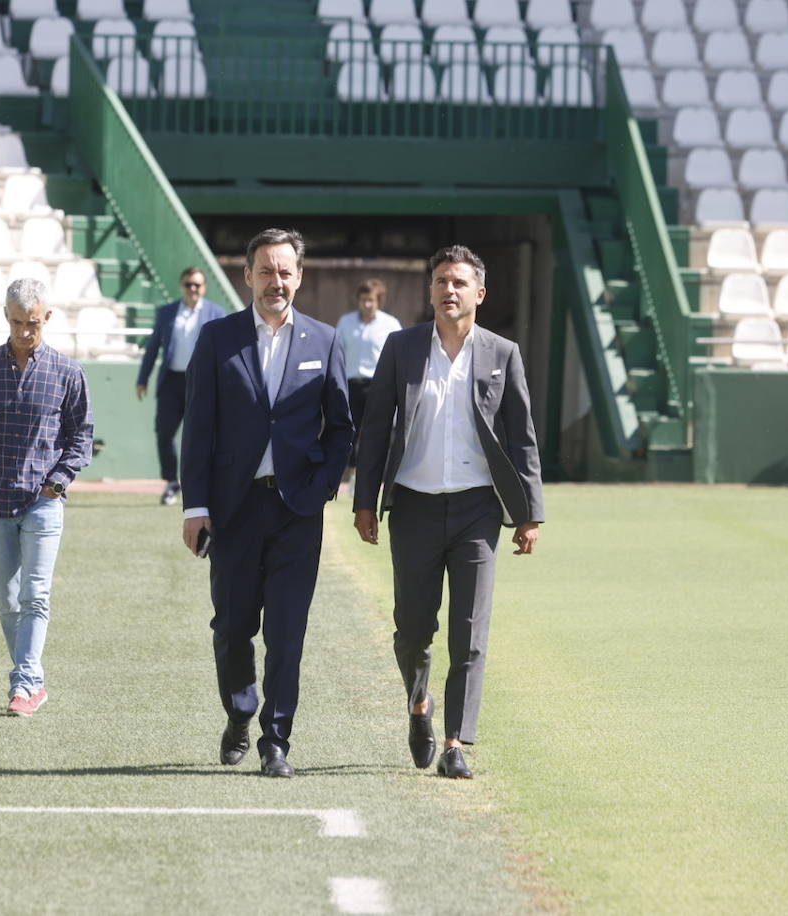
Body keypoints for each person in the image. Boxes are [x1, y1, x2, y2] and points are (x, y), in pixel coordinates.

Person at [352, 245, 543, 779]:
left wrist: (529, 514)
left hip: (478, 510)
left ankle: (457, 742)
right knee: (412, 630)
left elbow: (523, 438)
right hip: (412, 505)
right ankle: (420, 704)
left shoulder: (503, 353)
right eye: (440, 281)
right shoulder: (402, 348)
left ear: (479, 294)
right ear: (430, 290)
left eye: (459, 282)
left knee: (470, 630)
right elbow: (373, 431)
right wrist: (366, 500)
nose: (449, 290)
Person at [180, 228, 352, 778]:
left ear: (299, 277)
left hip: (297, 511)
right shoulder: (218, 339)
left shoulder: (325, 341)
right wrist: (195, 506)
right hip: (233, 510)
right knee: (232, 628)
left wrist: (323, 483)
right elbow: (199, 429)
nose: (275, 281)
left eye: (285, 271)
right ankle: (240, 712)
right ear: (247, 275)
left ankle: (276, 740)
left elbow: (342, 427)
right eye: (265, 270)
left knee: (287, 631)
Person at [0, 279, 94, 717]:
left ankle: (24, 684)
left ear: (47, 318)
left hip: (44, 501)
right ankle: (34, 680)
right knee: (6, 598)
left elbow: (81, 438)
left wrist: (59, 481)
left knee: (35, 594)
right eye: (16, 322)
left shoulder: (69, 373)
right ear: (5, 316)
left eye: (32, 323)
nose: (24, 331)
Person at [136, 268, 226, 506]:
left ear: (204, 288)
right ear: (181, 286)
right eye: (188, 285)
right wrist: (142, 378)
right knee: (164, 433)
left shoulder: (216, 313)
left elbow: (224, 351)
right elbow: (153, 347)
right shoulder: (167, 312)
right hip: (172, 382)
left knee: (203, 435)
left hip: (203, 383)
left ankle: (202, 483)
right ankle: (171, 482)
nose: (192, 289)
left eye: (197, 285)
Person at [335, 278, 402, 484]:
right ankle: (351, 477)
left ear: (378, 301)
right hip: (351, 385)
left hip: (378, 385)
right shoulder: (346, 322)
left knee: (379, 432)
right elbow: (337, 353)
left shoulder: (390, 324)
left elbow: (398, 357)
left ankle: (380, 479)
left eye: (371, 300)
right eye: (363, 300)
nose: (366, 304)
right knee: (349, 432)